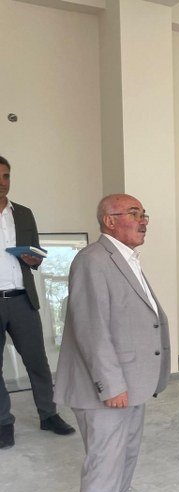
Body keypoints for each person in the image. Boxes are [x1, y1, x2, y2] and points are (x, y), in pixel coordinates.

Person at [54, 194, 171, 492]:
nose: (143, 220)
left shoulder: (126, 258)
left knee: (125, 457)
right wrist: (111, 385)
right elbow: (91, 329)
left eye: (143, 213)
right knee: (103, 467)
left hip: (133, 384)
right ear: (109, 220)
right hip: (106, 389)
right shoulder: (92, 261)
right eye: (134, 213)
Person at [0, 155, 74, 450]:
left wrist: (33, 259)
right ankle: (3, 423)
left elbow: (36, 255)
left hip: (22, 299)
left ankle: (49, 414)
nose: (2, 183)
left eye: (6, 176)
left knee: (38, 362)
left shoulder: (23, 214)